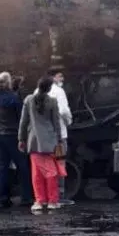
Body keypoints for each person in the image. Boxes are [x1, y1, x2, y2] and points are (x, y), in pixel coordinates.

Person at [18, 76, 67, 214]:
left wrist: (21, 139)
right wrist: (60, 140)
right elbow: (56, 123)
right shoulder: (52, 101)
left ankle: (40, 201)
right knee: (52, 172)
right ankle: (52, 201)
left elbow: (23, 122)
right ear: (49, 88)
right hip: (50, 142)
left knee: (37, 173)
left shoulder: (28, 100)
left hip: (34, 142)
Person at [0, 72, 29, 209]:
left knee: (1, 167)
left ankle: (1, 198)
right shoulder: (13, 98)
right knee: (22, 166)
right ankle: (26, 197)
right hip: (12, 135)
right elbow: (21, 116)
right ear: (8, 83)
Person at [38, 69, 74, 206]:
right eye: (60, 76)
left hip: (42, 138)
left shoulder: (36, 92)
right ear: (52, 78)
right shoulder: (59, 92)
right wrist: (69, 121)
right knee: (59, 164)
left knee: (45, 166)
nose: (62, 79)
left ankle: (45, 196)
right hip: (59, 138)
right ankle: (60, 195)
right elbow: (64, 111)